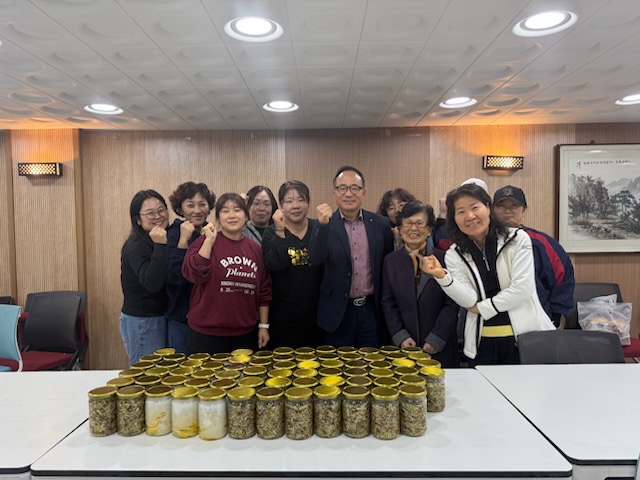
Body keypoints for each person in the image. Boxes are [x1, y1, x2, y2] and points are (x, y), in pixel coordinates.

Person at [422, 184, 555, 365]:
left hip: (524, 340)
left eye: (475, 207)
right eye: (461, 212)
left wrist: (482, 308)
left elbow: (522, 289)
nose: (470, 216)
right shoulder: (454, 254)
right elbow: (469, 300)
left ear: (488, 207)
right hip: (480, 342)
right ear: (454, 218)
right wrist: (442, 277)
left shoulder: (517, 239)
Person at [308, 166, 394, 347]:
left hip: (371, 310)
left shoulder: (381, 224)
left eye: (355, 188)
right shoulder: (324, 224)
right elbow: (315, 259)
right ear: (334, 192)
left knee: (371, 361)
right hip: (338, 312)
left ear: (363, 192)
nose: (348, 194)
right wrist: (322, 227)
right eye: (342, 188)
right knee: (338, 362)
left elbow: (387, 265)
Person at [182, 193, 271, 354]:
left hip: (244, 333)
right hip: (205, 334)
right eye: (225, 211)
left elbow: (264, 291)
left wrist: (263, 326)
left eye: (237, 210)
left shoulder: (255, 249)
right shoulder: (203, 242)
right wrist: (209, 241)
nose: (232, 215)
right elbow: (193, 274)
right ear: (217, 218)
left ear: (246, 216)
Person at [381, 202, 459, 367]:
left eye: (419, 223)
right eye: (408, 223)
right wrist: (400, 336)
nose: (413, 229)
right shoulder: (390, 261)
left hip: (441, 345)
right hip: (404, 347)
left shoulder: (446, 258)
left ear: (429, 230)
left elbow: (452, 303)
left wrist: (437, 338)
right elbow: (388, 302)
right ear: (400, 229)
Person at [492, 185, 575, 327]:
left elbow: (563, 277)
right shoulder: (484, 242)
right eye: (501, 206)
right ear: (492, 210)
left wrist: (557, 316)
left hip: (536, 322)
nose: (507, 211)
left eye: (514, 206)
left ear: (523, 209)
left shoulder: (541, 242)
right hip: (494, 319)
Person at [262, 180, 324, 348]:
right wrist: (280, 231)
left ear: (308, 203)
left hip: (317, 316)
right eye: (289, 201)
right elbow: (275, 264)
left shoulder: (318, 228)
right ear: (281, 205)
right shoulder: (271, 232)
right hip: (283, 318)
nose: (295, 206)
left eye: (301, 200)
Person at [119, 189, 169, 365]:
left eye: (161, 210)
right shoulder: (137, 246)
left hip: (157, 316)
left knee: (160, 372)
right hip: (143, 320)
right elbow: (152, 283)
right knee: (147, 374)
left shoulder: (157, 238)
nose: (158, 216)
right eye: (150, 213)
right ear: (138, 219)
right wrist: (160, 246)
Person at [165, 182, 216, 354]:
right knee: (181, 366)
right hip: (181, 317)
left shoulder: (212, 233)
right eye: (190, 205)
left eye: (202, 204)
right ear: (180, 209)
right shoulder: (172, 234)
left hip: (208, 318)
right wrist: (183, 241)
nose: (197, 210)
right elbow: (174, 277)